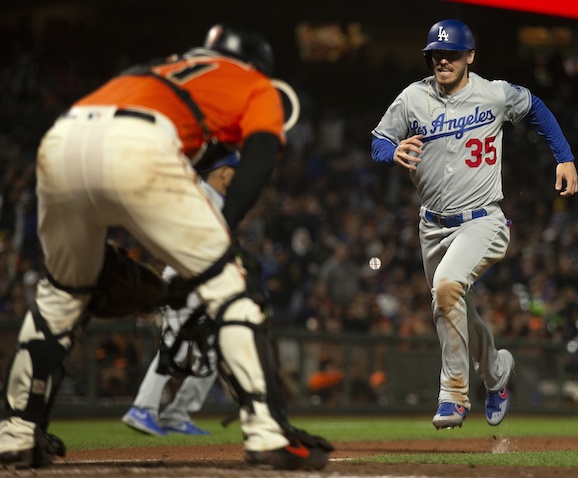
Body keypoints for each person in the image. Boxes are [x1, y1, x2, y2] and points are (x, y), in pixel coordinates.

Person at [0, 24, 332, 471]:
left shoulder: (161, 68)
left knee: (62, 296)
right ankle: (267, 432)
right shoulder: (255, 84)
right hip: (139, 142)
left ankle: (16, 432)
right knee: (233, 287)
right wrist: (224, 235)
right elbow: (259, 154)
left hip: (61, 139)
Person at [371, 19, 578, 430]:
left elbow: (535, 107)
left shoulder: (494, 94)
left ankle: (453, 394)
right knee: (454, 305)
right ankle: (497, 371)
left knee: (446, 288)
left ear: (470, 56)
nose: (442, 60)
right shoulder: (413, 97)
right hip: (432, 226)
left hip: (483, 220)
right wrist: (391, 152)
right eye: (435, 54)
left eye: (450, 54)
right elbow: (379, 140)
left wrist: (564, 156)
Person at [122, 152, 239, 437]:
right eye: (234, 170)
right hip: (186, 281)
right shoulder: (199, 196)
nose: (238, 177)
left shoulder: (215, 200)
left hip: (204, 281)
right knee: (174, 345)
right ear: (223, 172)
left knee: (212, 351)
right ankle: (143, 408)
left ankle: (177, 413)